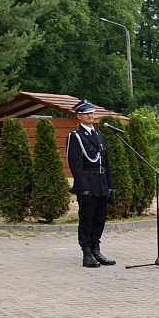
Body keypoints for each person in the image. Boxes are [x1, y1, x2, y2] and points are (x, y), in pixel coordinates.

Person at [65, 99, 115, 268]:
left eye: (92, 112)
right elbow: (75, 165)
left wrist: (110, 185)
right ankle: (86, 252)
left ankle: (96, 248)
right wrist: (83, 187)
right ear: (78, 116)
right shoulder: (76, 137)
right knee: (87, 218)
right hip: (87, 183)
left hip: (100, 183)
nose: (91, 115)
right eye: (86, 113)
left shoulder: (100, 136)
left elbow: (105, 163)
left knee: (99, 218)